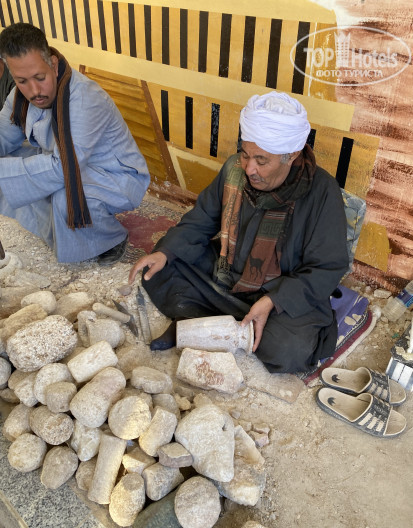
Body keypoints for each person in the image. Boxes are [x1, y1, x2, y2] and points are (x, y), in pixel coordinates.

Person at [129, 91, 349, 375]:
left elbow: (327, 267)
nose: (250, 168)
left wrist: (273, 301)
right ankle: (215, 328)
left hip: (279, 290)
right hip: (227, 273)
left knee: (289, 349)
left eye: (262, 160)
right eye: (245, 154)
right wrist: (166, 252)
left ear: (291, 155)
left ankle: (201, 325)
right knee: (159, 268)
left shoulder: (322, 192)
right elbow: (202, 219)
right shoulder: (234, 169)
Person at [0, 23, 150, 265]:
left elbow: (63, 169)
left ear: (53, 64)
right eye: (22, 81)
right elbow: (2, 135)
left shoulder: (84, 98)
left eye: (40, 78)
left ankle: (110, 240)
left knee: (64, 196)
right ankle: (63, 232)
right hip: (68, 163)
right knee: (14, 166)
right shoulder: (18, 96)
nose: (34, 91)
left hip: (116, 175)